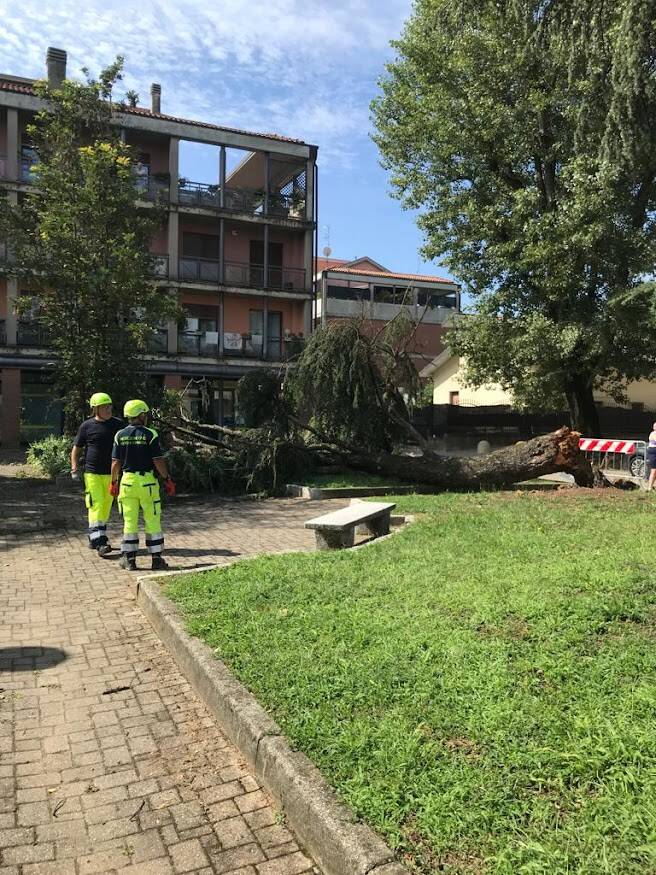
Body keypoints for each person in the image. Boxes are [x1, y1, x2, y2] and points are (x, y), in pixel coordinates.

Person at [111, 399, 176, 571]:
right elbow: (158, 460)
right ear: (140, 415)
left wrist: (113, 482)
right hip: (147, 483)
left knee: (129, 522)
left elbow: (115, 462)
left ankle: (129, 560)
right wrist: (167, 479)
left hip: (127, 483)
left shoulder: (120, 435)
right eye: (144, 414)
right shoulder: (150, 434)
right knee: (152, 520)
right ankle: (156, 559)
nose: (146, 417)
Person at [71, 392, 123, 556]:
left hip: (112, 473)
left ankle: (94, 536)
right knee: (96, 504)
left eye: (109, 406)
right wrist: (74, 467)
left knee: (106, 506)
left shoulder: (118, 425)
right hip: (92, 473)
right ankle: (101, 542)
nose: (108, 409)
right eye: (104, 407)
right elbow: (76, 449)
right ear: (96, 409)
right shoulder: (86, 426)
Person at [647, 423, 656, 491]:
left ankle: (653, 486)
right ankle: (649, 487)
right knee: (653, 470)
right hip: (653, 453)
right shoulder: (653, 434)